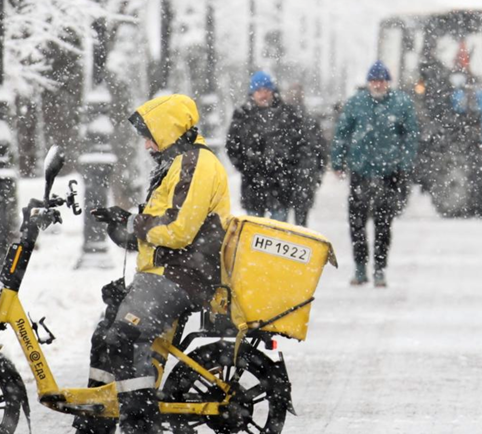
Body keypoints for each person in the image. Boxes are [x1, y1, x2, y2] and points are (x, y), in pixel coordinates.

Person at [76, 94, 231, 434]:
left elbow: (178, 229)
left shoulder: (196, 163)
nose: (147, 144)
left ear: (169, 130)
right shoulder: (175, 164)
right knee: (105, 335)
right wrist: (124, 223)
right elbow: (157, 227)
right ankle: (95, 421)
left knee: (126, 336)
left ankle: (141, 426)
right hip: (164, 273)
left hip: (186, 275)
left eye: (151, 135)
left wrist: (135, 224)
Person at [330, 61, 419, 288]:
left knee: (383, 223)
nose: (377, 85)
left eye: (381, 80)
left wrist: (404, 163)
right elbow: (342, 133)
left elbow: (410, 136)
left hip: (389, 173)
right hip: (360, 171)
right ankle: (360, 267)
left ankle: (379, 268)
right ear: (368, 82)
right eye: (374, 81)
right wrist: (338, 161)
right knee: (357, 223)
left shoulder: (401, 104)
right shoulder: (356, 104)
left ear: (388, 82)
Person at [227, 71, 324, 223]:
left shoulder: (287, 114)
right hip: (252, 187)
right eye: (259, 91)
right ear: (252, 93)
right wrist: (248, 167)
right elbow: (232, 146)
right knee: (253, 235)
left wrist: (286, 167)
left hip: (280, 188)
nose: (263, 95)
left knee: (277, 238)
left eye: (266, 90)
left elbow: (299, 145)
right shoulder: (242, 114)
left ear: (273, 91)